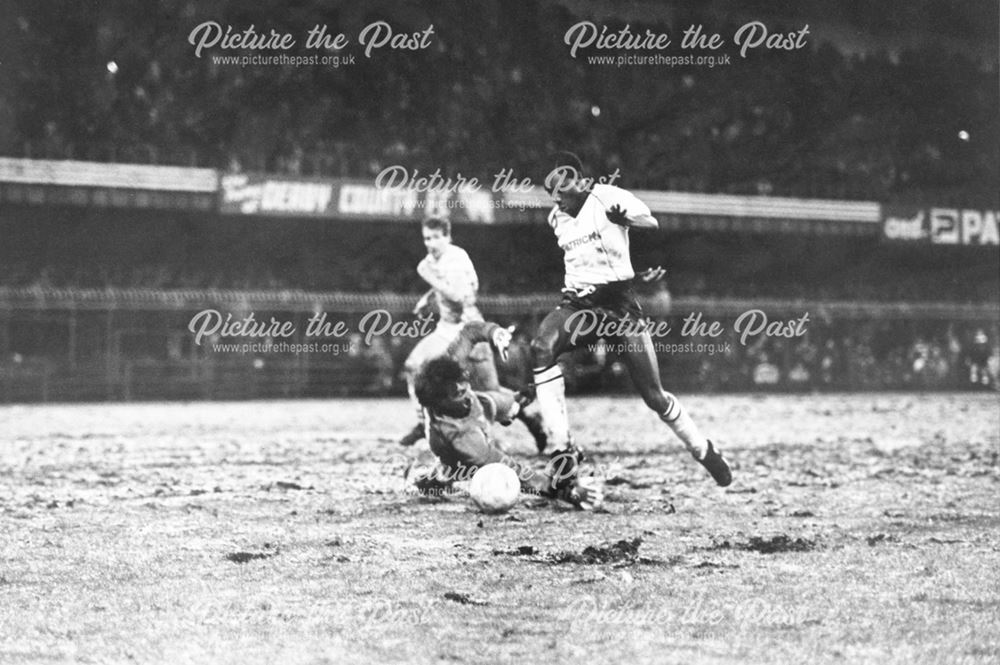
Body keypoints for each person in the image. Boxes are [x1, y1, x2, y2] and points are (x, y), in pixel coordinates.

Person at [529, 153, 732, 486]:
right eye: (550, 188)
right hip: (579, 304)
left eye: (561, 186)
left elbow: (650, 222)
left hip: (619, 305)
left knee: (654, 396)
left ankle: (703, 450)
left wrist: (625, 219)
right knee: (541, 348)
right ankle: (562, 454)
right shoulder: (557, 218)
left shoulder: (609, 197)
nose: (555, 195)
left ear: (581, 182)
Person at [399, 217, 547, 451]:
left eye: (437, 237)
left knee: (490, 393)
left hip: (470, 329)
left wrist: (428, 277)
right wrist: (426, 298)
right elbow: (441, 285)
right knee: (413, 365)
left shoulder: (455, 260)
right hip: (446, 329)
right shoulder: (431, 261)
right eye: (427, 238)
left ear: (448, 237)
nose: (431, 243)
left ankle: (530, 419)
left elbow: (457, 296)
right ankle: (422, 422)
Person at [411, 347, 602, 510]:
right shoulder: (464, 440)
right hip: (461, 454)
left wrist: (518, 401)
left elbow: (489, 399)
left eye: (464, 382)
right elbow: (515, 470)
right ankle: (429, 478)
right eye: (455, 392)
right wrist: (566, 493)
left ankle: (430, 477)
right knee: (456, 469)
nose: (463, 390)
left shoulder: (470, 398)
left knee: (503, 403)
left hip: (468, 426)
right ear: (440, 403)